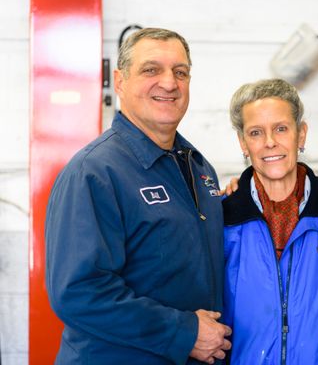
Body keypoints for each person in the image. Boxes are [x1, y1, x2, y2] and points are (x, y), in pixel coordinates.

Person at [45, 28, 231, 365]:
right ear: (119, 81)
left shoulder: (200, 169)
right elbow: (78, 292)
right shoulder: (94, 172)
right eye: (151, 70)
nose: (169, 83)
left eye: (180, 72)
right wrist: (184, 332)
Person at [222, 78, 318, 364]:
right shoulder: (222, 220)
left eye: (281, 128)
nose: (269, 142)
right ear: (243, 142)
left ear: (301, 135)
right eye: (255, 132)